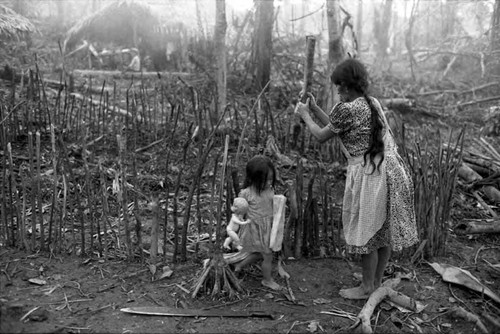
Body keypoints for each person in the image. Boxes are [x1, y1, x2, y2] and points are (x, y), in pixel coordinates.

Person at [294, 58, 418, 300]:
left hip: (372, 174)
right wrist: (315, 109)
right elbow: (337, 125)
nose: (338, 91)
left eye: (339, 86)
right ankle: (375, 281)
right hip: (389, 169)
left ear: (348, 86)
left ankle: (366, 287)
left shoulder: (348, 109)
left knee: (368, 234)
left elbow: (321, 135)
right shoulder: (372, 103)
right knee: (382, 233)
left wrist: (305, 115)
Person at [233, 155, 281, 291]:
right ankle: (267, 280)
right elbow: (239, 212)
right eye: (265, 180)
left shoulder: (270, 189)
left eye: (271, 179)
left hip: (267, 228)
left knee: (261, 254)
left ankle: (239, 266)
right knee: (267, 255)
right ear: (253, 179)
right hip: (255, 230)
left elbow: (272, 204)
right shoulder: (246, 194)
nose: (269, 183)